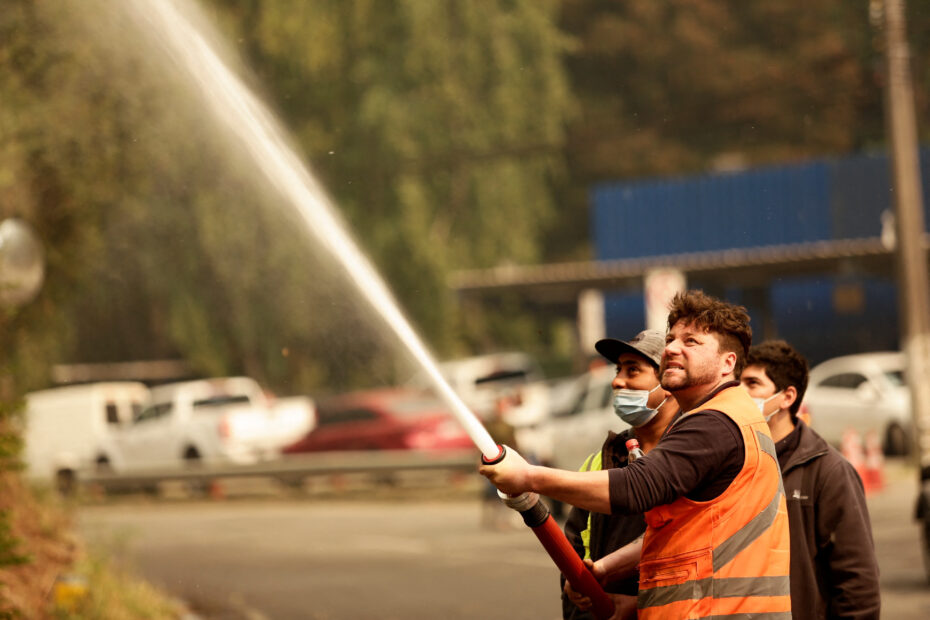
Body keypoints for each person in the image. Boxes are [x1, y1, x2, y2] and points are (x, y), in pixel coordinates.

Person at [479, 290, 791, 619]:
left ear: (728, 363)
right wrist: (609, 573)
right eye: (671, 339)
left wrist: (527, 476)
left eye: (691, 341)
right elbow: (678, 533)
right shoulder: (722, 418)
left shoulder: (717, 422)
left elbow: (636, 487)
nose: (672, 348)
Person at [741, 340, 881, 620]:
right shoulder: (733, 461)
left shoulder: (828, 470)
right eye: (738, 384)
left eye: (752, 384)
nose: (740, 393)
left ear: (787, 397)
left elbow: (857, 579)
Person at [561, 329, 678, 620]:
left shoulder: (691, 457)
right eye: (618, 370)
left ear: (669, 382)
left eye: (632, 370)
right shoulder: (603, 459)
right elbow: (574, 548)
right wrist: (577, 596)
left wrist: (640, 606)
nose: (617, 381)